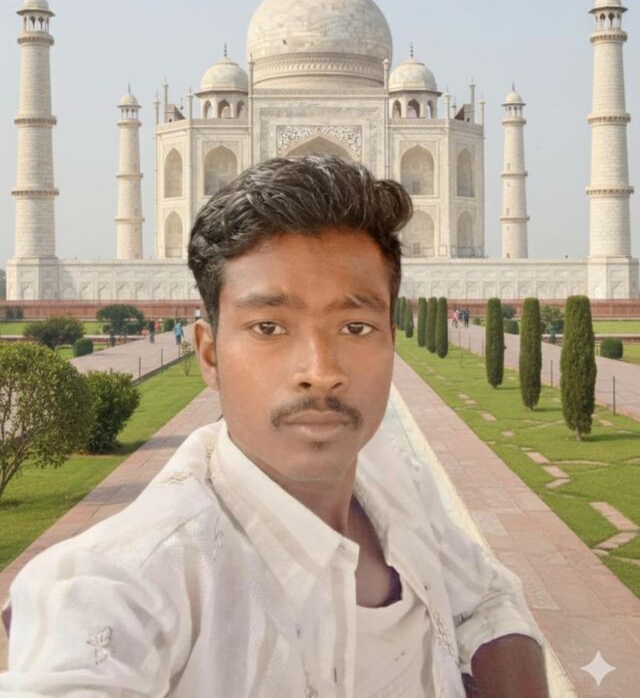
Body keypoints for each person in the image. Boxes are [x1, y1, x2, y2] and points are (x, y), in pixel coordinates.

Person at [0, 155, 548, 697]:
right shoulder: (130, 580)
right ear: (209, 354)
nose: (320, 371)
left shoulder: (396, 481)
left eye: (356, 327)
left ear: (392, 338)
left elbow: (490, 600)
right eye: (269, 327)